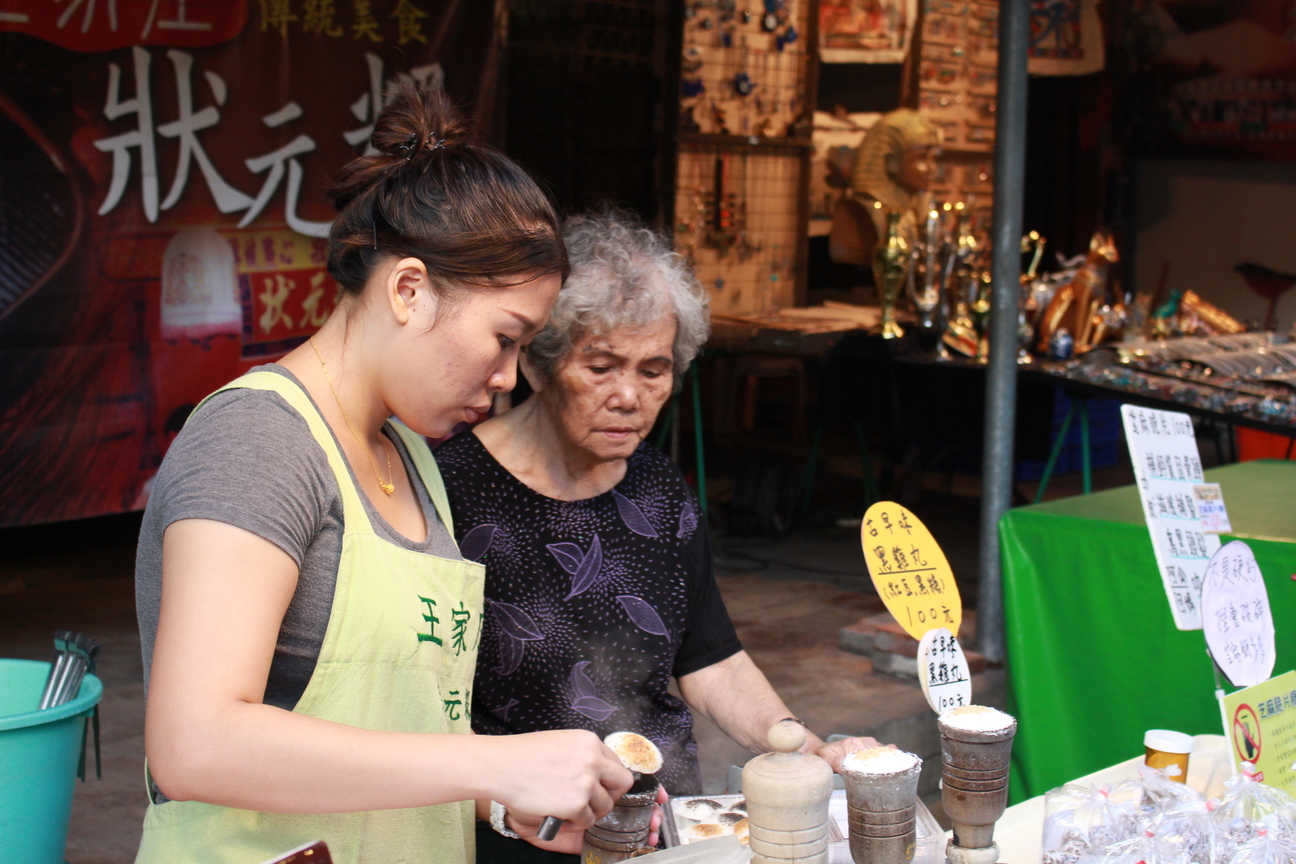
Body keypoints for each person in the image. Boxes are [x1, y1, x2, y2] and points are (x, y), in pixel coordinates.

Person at [133, 83, 632, 864]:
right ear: (408, 289)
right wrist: (494, 761)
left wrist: (505, 802)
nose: (509, 377)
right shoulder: (258, 440)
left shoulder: (414, 461)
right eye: (505, 338)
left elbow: (402, 734)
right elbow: (194, 743)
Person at [435, 208, 882, 862]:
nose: (629, 396)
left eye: (653, 370)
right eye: (602, 366)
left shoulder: (656, 488)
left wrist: (805, 748)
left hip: (666, 830)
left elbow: (711, 659)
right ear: (538, 364)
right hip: (528, 835)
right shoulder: (452, 492)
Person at [829, 108, 941, 267]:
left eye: (934, 159)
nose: (932, 169)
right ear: (892, 163)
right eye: (921, 159)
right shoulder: (859, 213)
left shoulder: (912, 211)